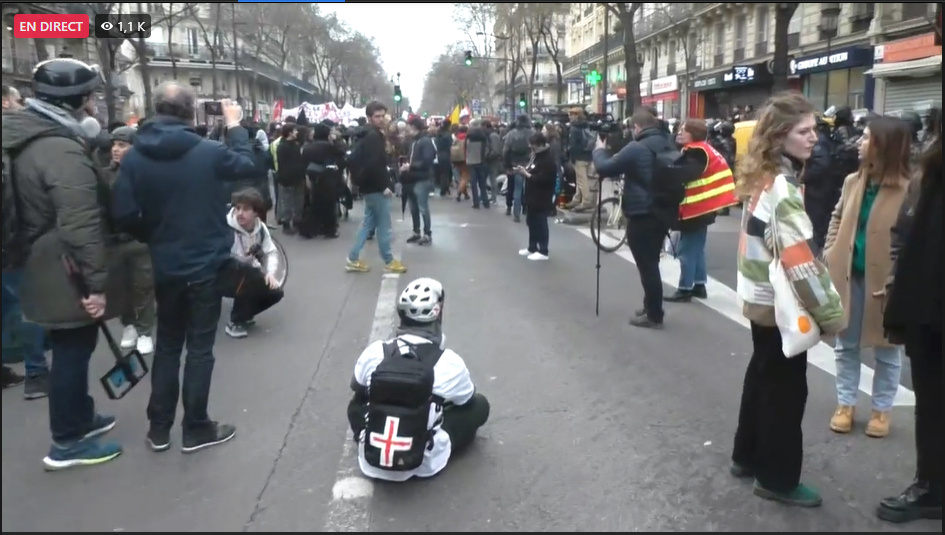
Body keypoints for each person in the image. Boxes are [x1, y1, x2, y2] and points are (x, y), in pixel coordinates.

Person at [112, 82, 259, 454]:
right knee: (199, 349)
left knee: (167, 345)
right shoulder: (209, 152)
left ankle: (159, 428)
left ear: (157, 108)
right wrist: (235, 126)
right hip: (205, 263)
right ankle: (196, 426)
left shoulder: (133, 157)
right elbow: (248, 164)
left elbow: (124, 215)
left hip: (166, 264)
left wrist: (155, 236)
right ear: (190, 112)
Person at [3, 58, 129, 469]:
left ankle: (80, 416)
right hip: (63, 266)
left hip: (39, 257)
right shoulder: (58, 147)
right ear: (82, 100)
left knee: (71, 344)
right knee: (73, 348)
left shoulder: (29, 134)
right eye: (91, 95)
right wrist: (96, 285)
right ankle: (68, 441)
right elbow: (81, 223)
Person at [732, 91, 844, 507]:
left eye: (815, 130)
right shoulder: (783, 187)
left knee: (761, 375)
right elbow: (801, 262)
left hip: (758, 299)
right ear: (781, 136)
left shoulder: (763, 175)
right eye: (805, 131)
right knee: (785, 391)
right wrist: (831, 316)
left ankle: (746, 455)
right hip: (778, 306)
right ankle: (776, 478)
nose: (814, 138)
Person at [346, 277, 490, 481]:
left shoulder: (375, 351)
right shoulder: (450, 362)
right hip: (425, 462)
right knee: (480, 406)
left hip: (371, 459)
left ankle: (364, 437)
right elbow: (467, 401)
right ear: (437, 317)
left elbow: (357, 388)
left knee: (358, 400)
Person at [823, 116, 911, 438]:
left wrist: (898, 277)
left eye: (867, 137)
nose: (860, 141)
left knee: (887, 350)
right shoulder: (853, 181)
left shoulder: (909, 189)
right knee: (845, 344)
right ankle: (845, 403)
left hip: (887, 283)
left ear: (883, 147)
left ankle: (881, 409)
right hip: (849, 276)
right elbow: (836, 216)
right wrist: (831, 250)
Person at [877, 109, 941, 524]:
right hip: (929, 309)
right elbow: (907, 233)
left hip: (930, 308)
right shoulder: (929, 175)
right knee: (933, 402)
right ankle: (931, 484)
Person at [593, 110, 677, 329]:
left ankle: (654, 315)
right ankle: (650, 305)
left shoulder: (637, 148)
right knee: (652, 262)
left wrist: (599, 150)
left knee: (647, 266)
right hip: (663, 211)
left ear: (636, 128)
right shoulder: (667, 143)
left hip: (642, 212)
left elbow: (605, 168)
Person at [665, 119, 737, 302]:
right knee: (696, 248)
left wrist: (664, 171)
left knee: (687, 249)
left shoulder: (696, 152)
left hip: (696, 209)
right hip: (704, 207)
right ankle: (698, 285)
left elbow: (685, 173)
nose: (679, 133)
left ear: (693, 134)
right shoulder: (703, 148)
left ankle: (685, 288)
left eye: (683, 130)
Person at [100, 126, 156, 356]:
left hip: (140, 240)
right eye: (114, 144)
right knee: (120, 287)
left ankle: (144, 331)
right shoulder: (104, 174)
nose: (115, 149)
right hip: (112, 240)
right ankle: (129, 325)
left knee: (143, 286)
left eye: (122, 145)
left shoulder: (146, 174)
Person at [345, 101, 407, 274]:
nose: (380, 119)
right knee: (384, 226)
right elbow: (375, 165)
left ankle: (353, 258)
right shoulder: (374, 137)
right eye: (377, 116)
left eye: (382, 115)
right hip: (376, 188)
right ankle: (388, 260)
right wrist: (384, 186)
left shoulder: (368, 135)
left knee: (367, 225)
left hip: (368, 187)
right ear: (369, 118)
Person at [223, 188, 284, 338]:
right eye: (237, 208)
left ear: (256, 212)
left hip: (247, 273)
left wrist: (270, 272)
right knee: (249, 273)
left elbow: (271, 251)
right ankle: (235, 322)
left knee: (276, 292)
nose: (239, 213)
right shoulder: (226, 227)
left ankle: (245, 315)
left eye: (245, 209)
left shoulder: (260, 228)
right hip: (223, 276)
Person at [300, 122, 347, 238]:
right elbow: (342, 158)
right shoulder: (330, 147)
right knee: (329, 205)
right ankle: (329, 229)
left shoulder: (308, 147)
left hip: (312, 177)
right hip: (328, 177)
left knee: (314, 203)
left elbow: (303, 164)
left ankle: (312, 228)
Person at [516, 132, 556, 261]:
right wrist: (524, 170)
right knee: (531, 222)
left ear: (540, 145)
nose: (530, 147)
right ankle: (532, 247)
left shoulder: (548, 160)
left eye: (532, 145)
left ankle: (543, 250)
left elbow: (544, 179)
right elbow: (532, 169)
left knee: (540, 223)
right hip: (532, 195)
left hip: (542, 196)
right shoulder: (535, 156)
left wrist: (527, 174)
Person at [400, 117, 437, 244]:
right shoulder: (415, 141)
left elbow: (427, 160)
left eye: (408, 126)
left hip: (422, 178)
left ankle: (427, 233)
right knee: (413, 207)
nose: (407, 129)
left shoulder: (425, 141)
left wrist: (411, 166)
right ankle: (416, 231)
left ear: (414, 127)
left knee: (422, 207)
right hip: (412, 178)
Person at [502, 115, 533, 222]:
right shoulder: (532, 133)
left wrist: (507, 165)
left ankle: (516, 213)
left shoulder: (511, 134)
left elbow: (505, 151)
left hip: (515, 164)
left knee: (517, 189)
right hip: (529, 164)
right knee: (529, 188)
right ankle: (527, 209)